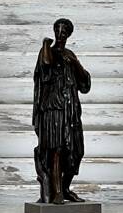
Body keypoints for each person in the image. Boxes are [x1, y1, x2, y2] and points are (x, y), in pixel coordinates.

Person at [31, 18, 91, 203]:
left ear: (69, 34)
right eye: (58, 30)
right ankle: (56, 192)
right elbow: (46, 66)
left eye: (64, 31)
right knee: (56, 149)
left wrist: (75, 62)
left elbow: (85, 85)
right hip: (53, 108)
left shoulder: (70, 55)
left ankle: (65, 188)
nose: (60, 34)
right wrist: (45, 44)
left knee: (76, 150)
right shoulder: (47, 51)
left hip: (71, 108)